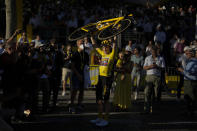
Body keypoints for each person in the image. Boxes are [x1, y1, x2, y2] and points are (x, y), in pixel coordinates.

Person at [90, 36, 116, 127]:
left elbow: (115, 46)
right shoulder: (103, 54)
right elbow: (95, 46)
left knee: (106, 100)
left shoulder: (111, 55)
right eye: (103, 47)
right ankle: (100, 117)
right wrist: (91, 36)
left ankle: (106, 119)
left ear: (110, 48)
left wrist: (114, 39)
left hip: (107, 79)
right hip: (100, 78)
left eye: (106, 47)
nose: (104, 48)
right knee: (99, 100)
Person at [143, 46, 165, 114]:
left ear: (157, 51)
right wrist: (150, 66)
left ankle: (155, 109)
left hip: (157, 77)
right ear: (151, 52)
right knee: (147, 93)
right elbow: (144, 67)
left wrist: (157, 67)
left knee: (156, 94)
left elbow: (163, 69)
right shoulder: (147, 58)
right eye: (152, 51)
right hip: (149, 77)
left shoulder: (161, 58)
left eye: (155, 51)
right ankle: (147, 109)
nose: (153, 52)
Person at [69, 39, 89, 114]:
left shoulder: (86, 54)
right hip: (75, 74)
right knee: (75, 90)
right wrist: (78, 75)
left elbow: (86, 64)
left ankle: (79, 104)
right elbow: (72, 66)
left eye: (83, 43)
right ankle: (71, 105)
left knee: (81, 90)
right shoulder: (75, 54)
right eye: (81, 43)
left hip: (82, 73)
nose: (82, 44)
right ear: (77, 44)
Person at [177, 49, 197, 117]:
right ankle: (189, 111)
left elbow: (190, 72)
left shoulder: (193, 62)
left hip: (190, 82)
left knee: (190, 97)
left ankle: (191, 112)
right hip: (188, 81)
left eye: (188, 53)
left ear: (192, 54)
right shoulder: (190, 61)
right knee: (187, 97)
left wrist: (182, 70)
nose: (187, 55)